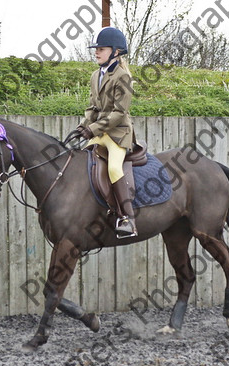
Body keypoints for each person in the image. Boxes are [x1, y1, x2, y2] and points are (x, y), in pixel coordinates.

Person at [76, 27, 138, 239]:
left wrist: (92, 129)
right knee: (80, 161)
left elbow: (119, 114)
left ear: (116, 51)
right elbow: (93, 107)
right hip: (100, 131)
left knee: (113, 168)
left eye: (101, 49)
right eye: (96, 49)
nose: (96, 52)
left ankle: (127, 218)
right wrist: (82, 126)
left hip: (118, 134)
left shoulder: (123, 77)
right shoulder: (96, 75)